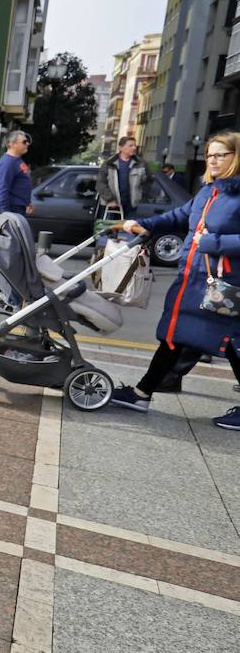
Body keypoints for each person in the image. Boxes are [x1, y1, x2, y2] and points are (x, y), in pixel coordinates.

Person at [110, 132, 240, 430]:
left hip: (224, 284)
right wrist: (144, 225)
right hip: (194, 279)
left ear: (237, 157)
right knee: (177, 334)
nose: (214, 160)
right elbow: (181, 216)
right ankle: (142, 393)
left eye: (222, 154)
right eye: (210, 155)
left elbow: (213, 237)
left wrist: (216, 243)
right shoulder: (210, 191)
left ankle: (143, 392)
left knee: (231, 341)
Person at [97, 135, 150, 220]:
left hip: (132, 206)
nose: (134, 148)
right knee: (110, 230)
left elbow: (149, 181)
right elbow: (100, 183)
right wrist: (110, 199)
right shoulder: (109, 163)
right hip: (112, 206)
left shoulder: (141, 164)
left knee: (128, 231)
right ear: (121, 148)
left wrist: (142, 197)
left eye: (135, 145)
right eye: (130, 145)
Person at [0, 130, 34, 216]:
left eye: (27, 141)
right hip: (12, 209)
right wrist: (6, 215)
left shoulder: (17, 160)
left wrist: (27, 201)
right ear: (12, 144)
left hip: (19, 207)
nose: (27, 144)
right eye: (24, 142)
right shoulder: (7, 163)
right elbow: (3, 190)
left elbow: (20, 183)